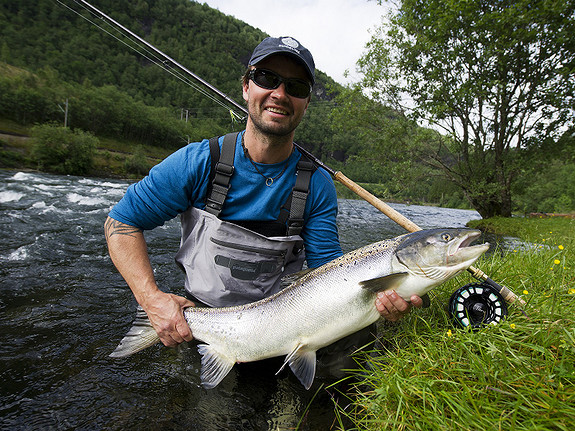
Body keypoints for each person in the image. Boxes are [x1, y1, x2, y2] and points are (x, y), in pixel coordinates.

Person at [104, 36, 423, 373]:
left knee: (354, 350)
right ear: (246, 87)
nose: (280, 94)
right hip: (203, 324)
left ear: (306, 103)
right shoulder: (197, 163)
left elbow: (329, 273)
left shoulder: (316, 185)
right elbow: (120, 222)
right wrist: (151, 300)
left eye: (296, 87)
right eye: (267, 79)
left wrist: (375, 301)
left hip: (285, 324)